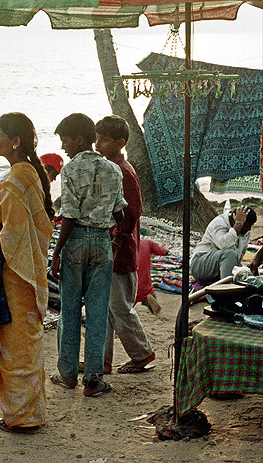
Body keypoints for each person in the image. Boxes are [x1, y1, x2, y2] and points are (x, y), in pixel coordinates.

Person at [0, 113, 54, 430]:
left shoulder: (19, 177)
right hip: (20, 273)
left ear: (15, 141)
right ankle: (26, 413)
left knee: (18, 346)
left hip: (16, 276)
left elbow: (13, 234)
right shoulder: (25, 174)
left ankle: (23, 417)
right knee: (23, 343)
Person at [50, 113, 126, 398]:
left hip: (76, 240)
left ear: (79, 139)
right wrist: (109, 225)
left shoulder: (70, 169)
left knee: (69, 311)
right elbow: (120, 211)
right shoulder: (112, 169)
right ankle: (93, 379)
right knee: (97, 313)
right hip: (102, 242)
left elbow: (68, 215)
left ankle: (67, 374)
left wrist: (57, 252)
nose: (64, 147)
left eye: (65, 141)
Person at [95, 116, 155, 375]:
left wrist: (117, 239)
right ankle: (103, 361)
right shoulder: (114, 167)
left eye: (104, 139)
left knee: (119, 309)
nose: (98, 144)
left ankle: (142, 354)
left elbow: (132, 211)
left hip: (120, 250)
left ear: (119, 143)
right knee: (107, 309)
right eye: (97, 138)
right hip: (114, 247)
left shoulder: (123, 170)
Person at [190, 206, 258, 285]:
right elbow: (225, 245)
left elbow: (239, 255)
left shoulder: (245, 231)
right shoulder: (219, 222)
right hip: (200, 266)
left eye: (250, 226)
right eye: (247, 226)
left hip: (218, 272)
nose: (249, 229)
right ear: (234, 221)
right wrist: (238, 224)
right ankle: (226, 291)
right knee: (229, 254)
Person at [137, 238, 169, 315]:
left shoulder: (126, 243)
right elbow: (162, 251)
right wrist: (166, 250)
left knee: (128, 297)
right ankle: (149, 302)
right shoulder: (147, 242)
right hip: (144, 282)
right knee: (147, 292)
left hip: (130, 278)